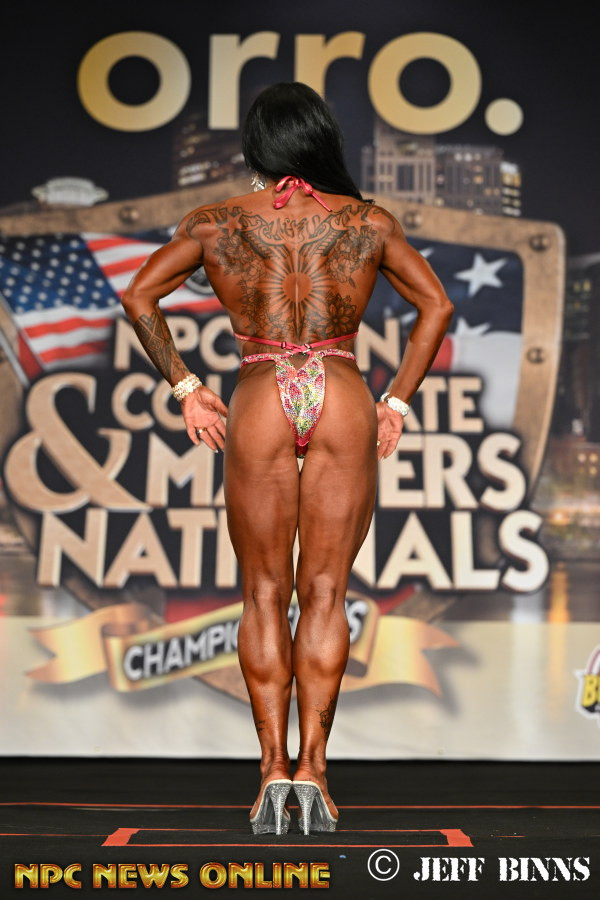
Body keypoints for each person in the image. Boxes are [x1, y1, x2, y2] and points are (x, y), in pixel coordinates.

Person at [121, 82, 453, 836]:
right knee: (327, 591)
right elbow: (436, 305)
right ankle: (315, 773)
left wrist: (187, 389)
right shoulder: (366, 221)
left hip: (261, 390)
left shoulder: (218, 221)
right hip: (338, 388)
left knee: (264, 593)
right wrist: (396, 402)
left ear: (257, 149)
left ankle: (272, 773)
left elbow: (140, 295)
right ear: (321, 140)